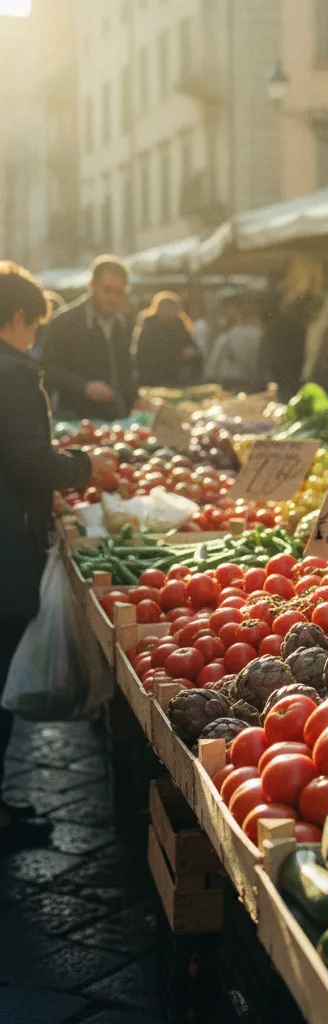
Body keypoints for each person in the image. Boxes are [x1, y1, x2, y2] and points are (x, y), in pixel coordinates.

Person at [0, 263, 104, 843]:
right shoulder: (14, 374)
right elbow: (29, 462)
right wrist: (85, 467)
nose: (36, 335)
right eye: (34, 324)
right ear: (17, 317)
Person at [40, 255, 135, 420]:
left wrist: (136, 398)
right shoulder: (65, 321)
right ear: (91, 286)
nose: (113, 297)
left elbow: (125, 371)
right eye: (107, 290)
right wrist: (84, 387)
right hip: (75, 420)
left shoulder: (120, 323)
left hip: (115, 419)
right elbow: (47, 368)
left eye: (119, 292)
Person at [133, 291, 203, 388]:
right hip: (152, 380)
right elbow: (147, 354)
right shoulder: (149, 325)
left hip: (177, 380)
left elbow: (193, 348)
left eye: (171, 307)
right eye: (165, 307)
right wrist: (179, 353)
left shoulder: (179, 324)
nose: (168, 311)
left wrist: (192, 352)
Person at [207, 295, 265, 393]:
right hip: (241, 379)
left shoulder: (234, 332)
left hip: (231, 378)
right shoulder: (254, 332)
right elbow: (247, 359)